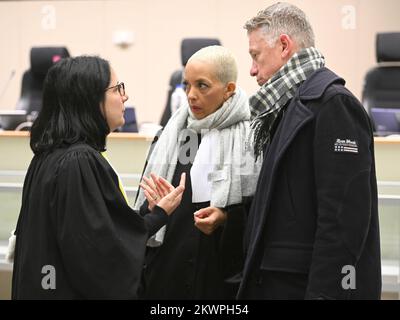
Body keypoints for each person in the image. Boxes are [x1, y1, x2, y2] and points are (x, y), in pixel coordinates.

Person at [238, 2, 381, 299]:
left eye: (256, 56)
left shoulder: (333, 104)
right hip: (279, 282)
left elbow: (343, 223)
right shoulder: (287, 106)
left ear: (284, 45)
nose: (252, 70)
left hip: (304, 288)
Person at [11, 55, 185, 299]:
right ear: (90, 99)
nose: (125, 96)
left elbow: (95, 231)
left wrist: (148, 215)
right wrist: (159, 215)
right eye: (117, 89)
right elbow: (102, 254)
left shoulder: (47, 157)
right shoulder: (79, 161)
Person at [134, 45, 261, 299]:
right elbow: (147, 207)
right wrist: (152, 208)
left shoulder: (252, 137)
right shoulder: (173, 134)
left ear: (228, 90)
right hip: (169, 270)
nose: (191, 95)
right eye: (186, 85)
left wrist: (225, 217)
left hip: (220, 273)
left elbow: (261, 209)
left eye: (202, 86)